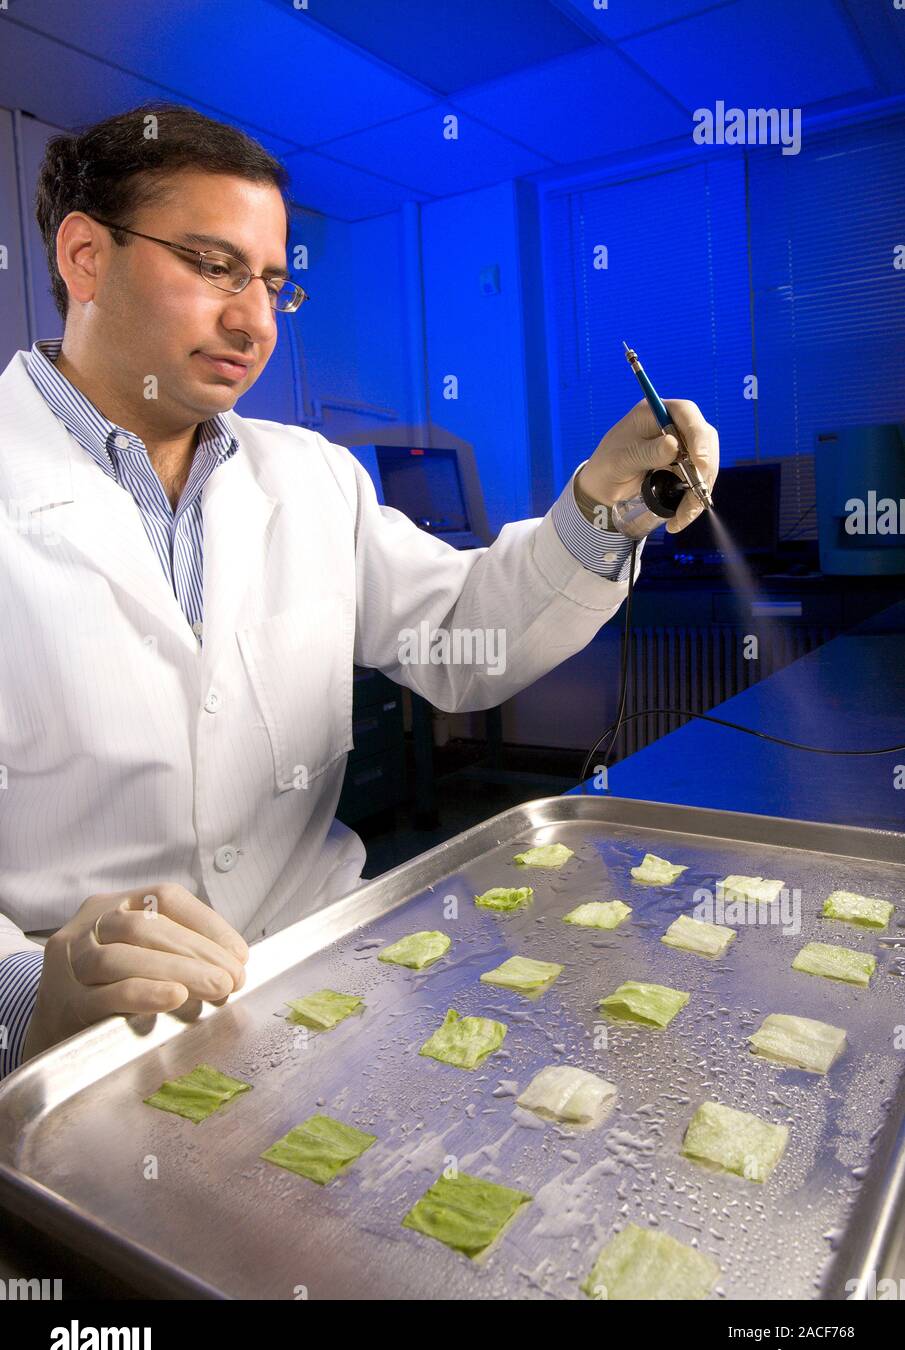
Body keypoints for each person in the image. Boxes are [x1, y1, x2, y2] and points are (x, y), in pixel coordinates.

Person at [0, 103, 718, 1075]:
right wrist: (32, 994)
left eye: (270, 282)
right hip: (79, 1056)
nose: (253, 319)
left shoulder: (310, 475)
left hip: (323, 994)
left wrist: (598, 504)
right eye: (212, 267)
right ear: (85, 256)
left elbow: (465, 641)